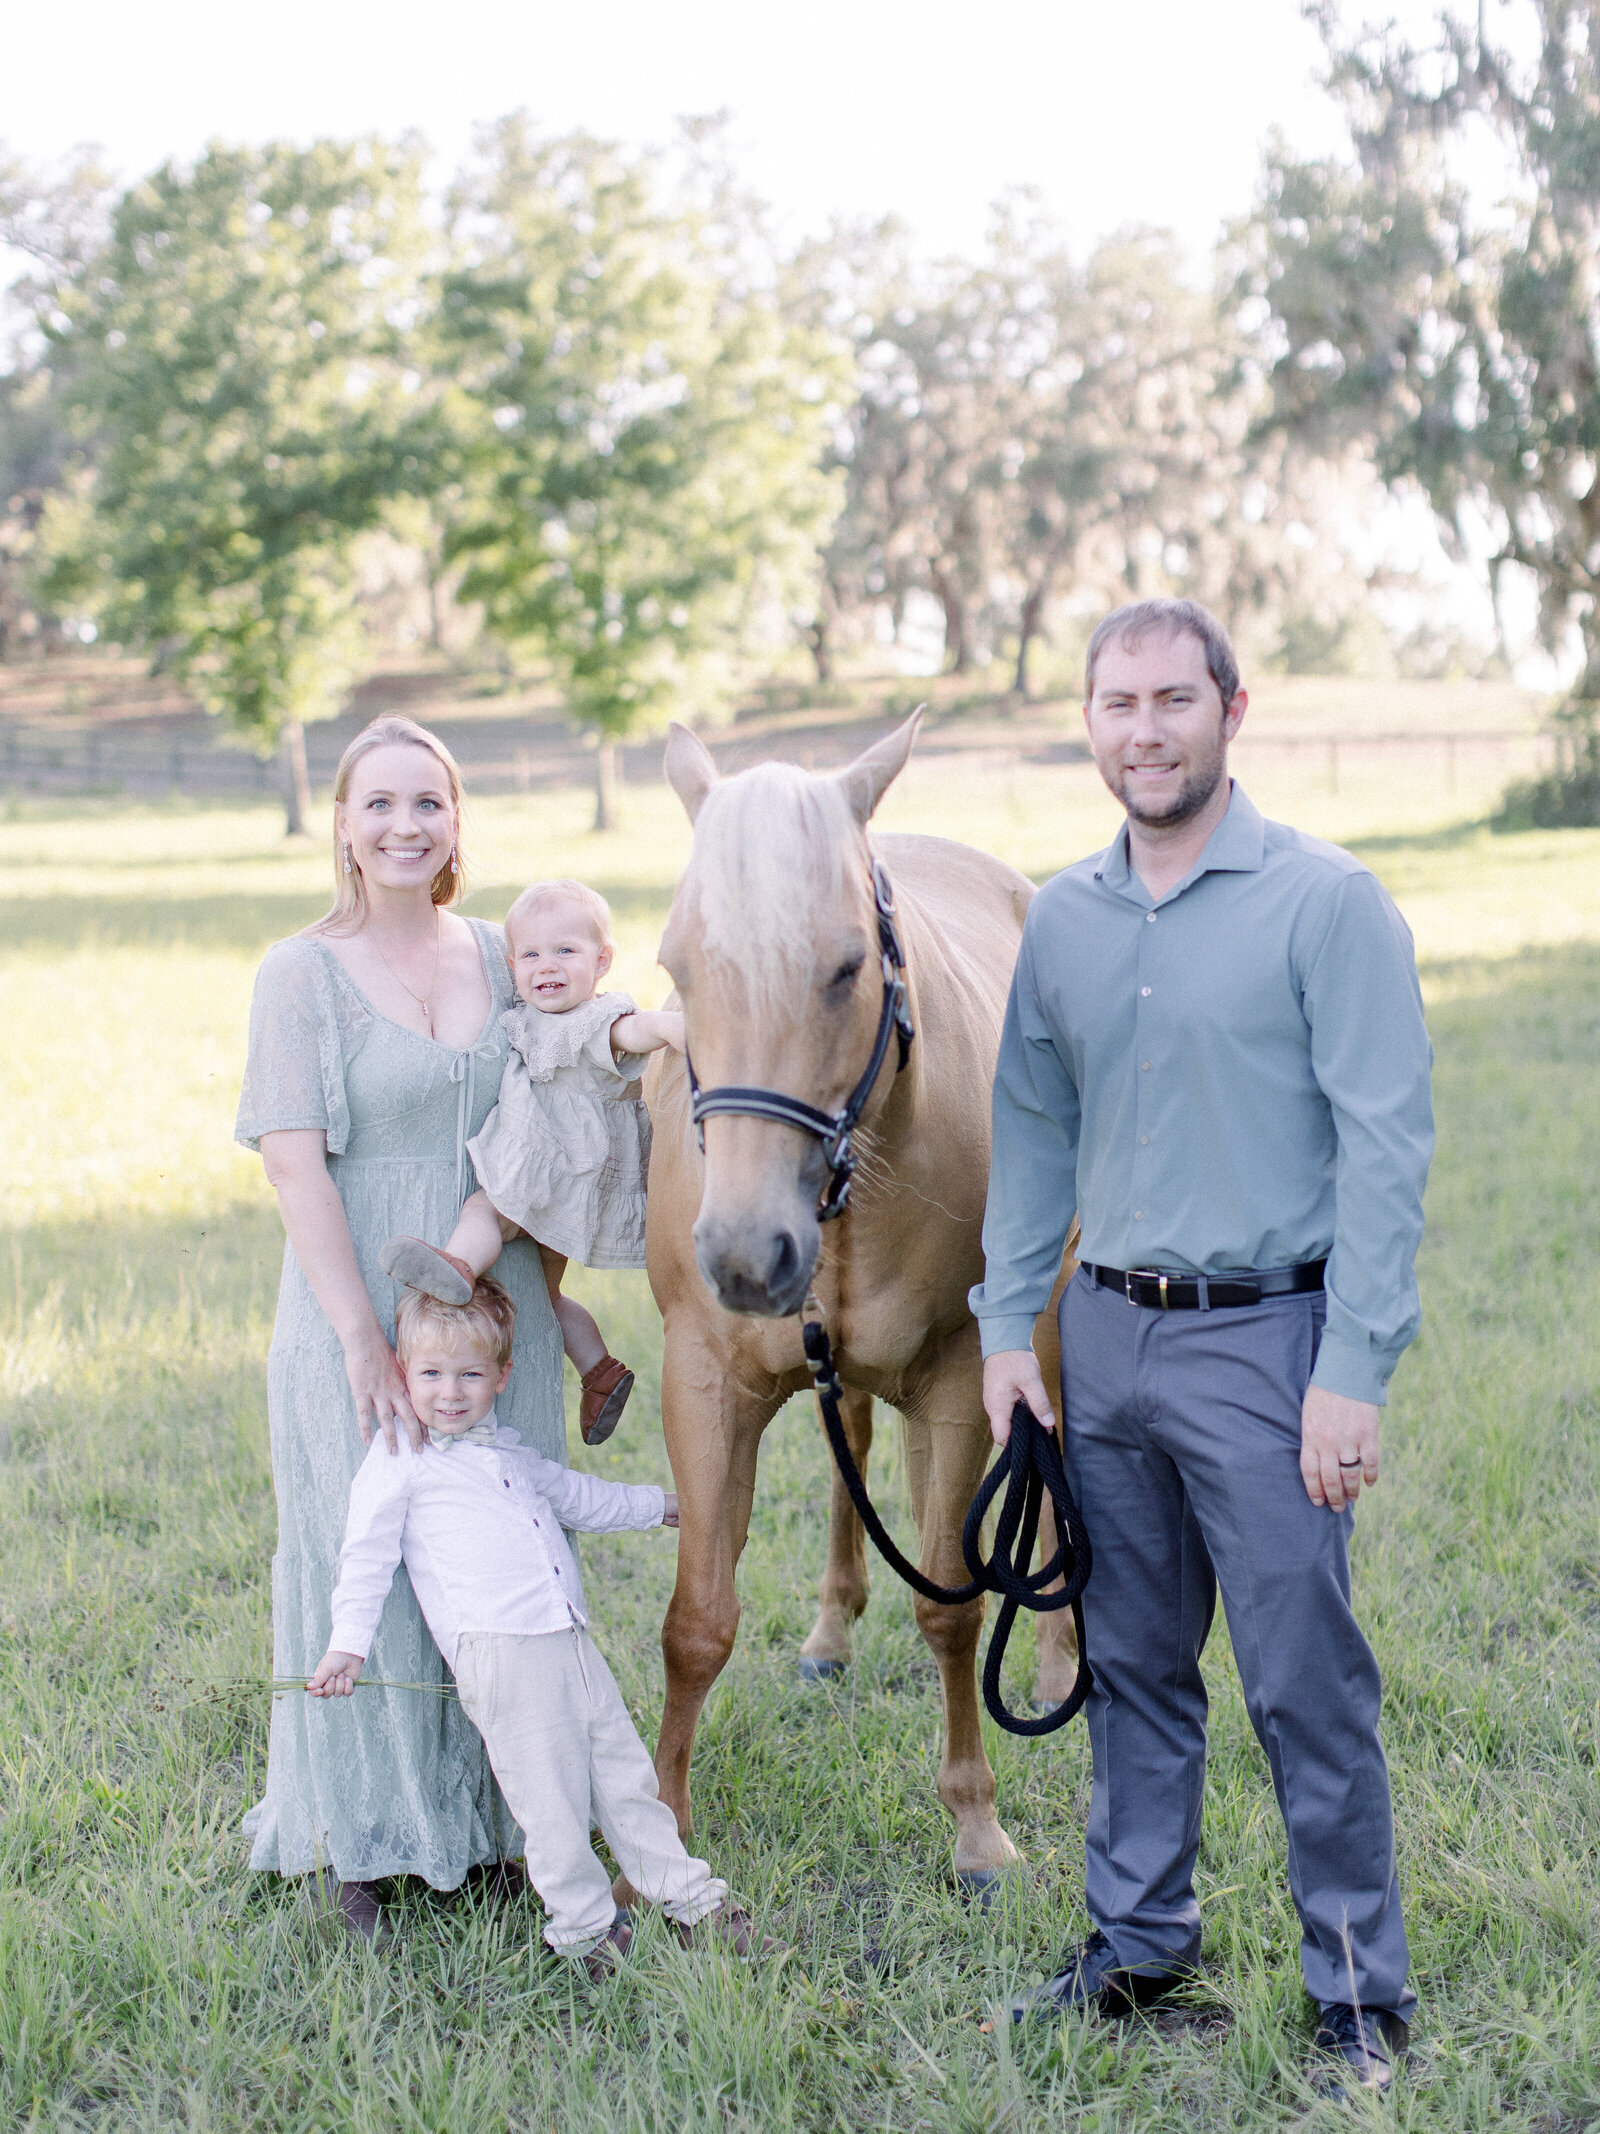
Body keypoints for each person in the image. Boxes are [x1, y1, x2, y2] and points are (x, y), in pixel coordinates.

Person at [973, 599, 1433, 2100]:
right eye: (1119, 703)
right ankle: (1138, 1940)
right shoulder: (1064, 917)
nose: (1146, 729)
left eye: (1176, 698)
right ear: (1088, 721)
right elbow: (1034, 1134)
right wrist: (1004, 1326)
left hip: (1271, 1342)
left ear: (1236, 710)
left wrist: (1352, 1364)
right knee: (1133, 1661)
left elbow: (1386, 1144)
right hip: (1104, 1338)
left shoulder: (1325, 902)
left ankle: (1357, 1989)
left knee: (1303, 1679)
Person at [236, 713, 567, 1940]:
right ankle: (362, 1835)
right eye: (377, 803)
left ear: (455, 822)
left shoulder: (504, 950)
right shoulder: (299, 972)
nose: (403, 825)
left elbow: (558, 1104)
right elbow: (293, 1168)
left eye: (427, 801)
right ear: (340, 822)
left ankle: (493, 1821)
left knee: (501, 1553)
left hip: (499, 1305)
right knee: (356, 1558)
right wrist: (361, 1341)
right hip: (356, 1305)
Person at [307, 1277, 757, 1976]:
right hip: (500, 1652)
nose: (449, 1392)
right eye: (429, 1374)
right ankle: (583, 1931)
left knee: (624, 1775)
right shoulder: (399, 1461)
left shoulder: (511, 1454)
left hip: (568, 1639)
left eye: (469, 1375)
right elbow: (364, 1557)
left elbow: (580, 1498)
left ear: (501, 1377)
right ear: (402, 1372)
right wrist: (347, 1644)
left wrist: (661, 1506)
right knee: (548, 1799)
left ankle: (694, 1902)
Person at [380, 879, 683, 1447]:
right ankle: (599, 1370)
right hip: (572, 1188)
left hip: (547, 1173)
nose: (548, 966)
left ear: (603, 962)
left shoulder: (594, 1020)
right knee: (544, 1300)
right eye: (531, 955)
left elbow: (631, 1031)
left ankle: (458, 1271)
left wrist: (670, 1027)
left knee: (485, 1209)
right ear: (511, 963)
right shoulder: (538, 1014)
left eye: (566, 952)